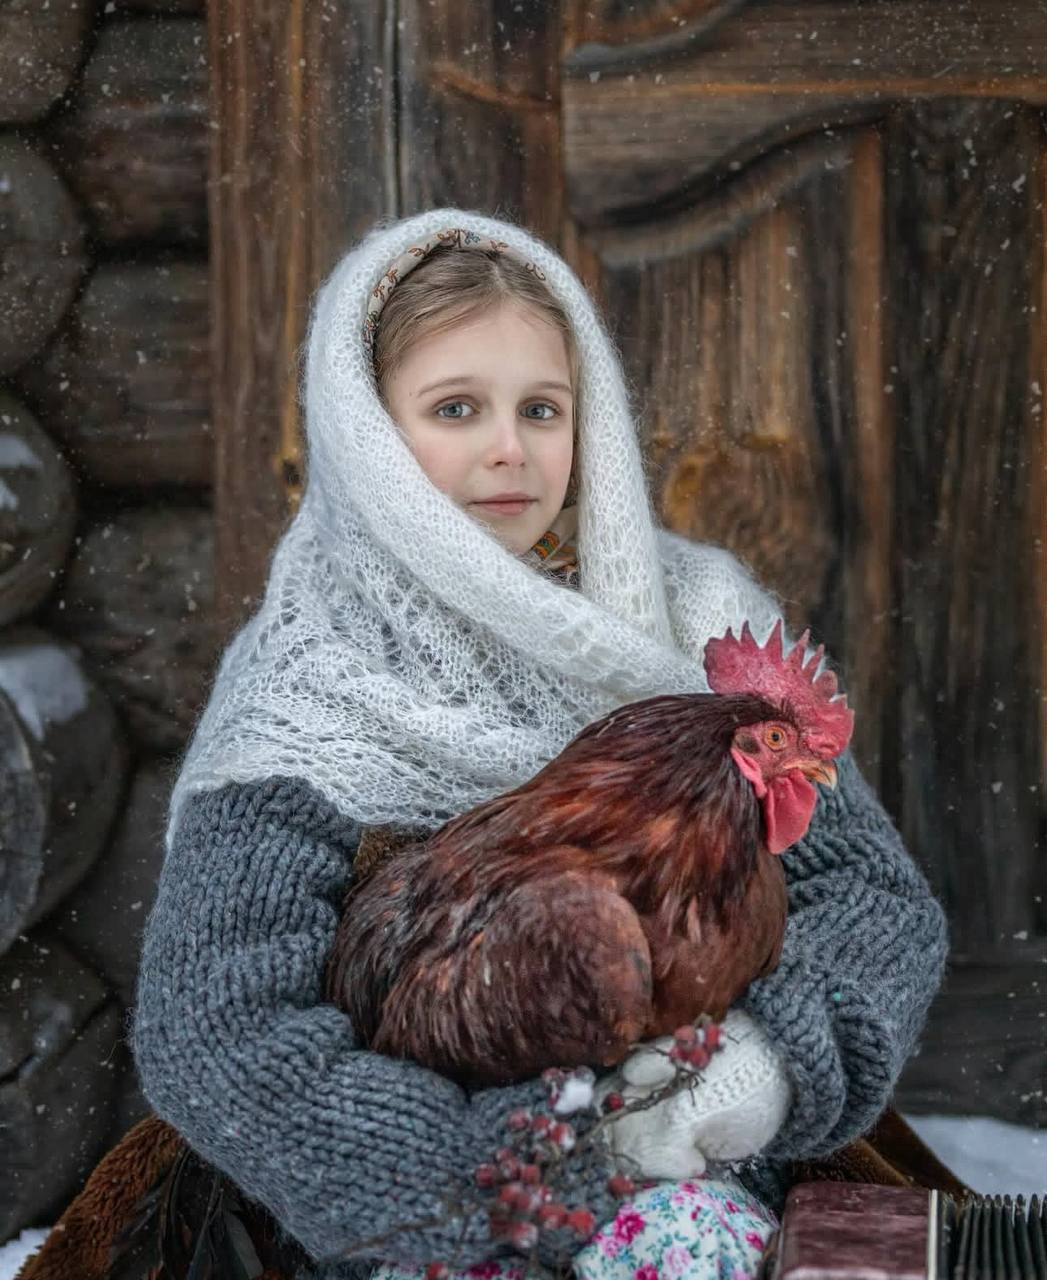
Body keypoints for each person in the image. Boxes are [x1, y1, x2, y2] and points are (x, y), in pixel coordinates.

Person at [132, 208, 950, 1280]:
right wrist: (500, 1181)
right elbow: (218, 1027)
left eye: (544, 407)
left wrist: (765, 1064)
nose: (510, 446)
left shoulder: (697, 613)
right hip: (402, 1204)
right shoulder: (312, 678)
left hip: (705, 1164)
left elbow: (875, 900)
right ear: (369, 433)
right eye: (456, 407)